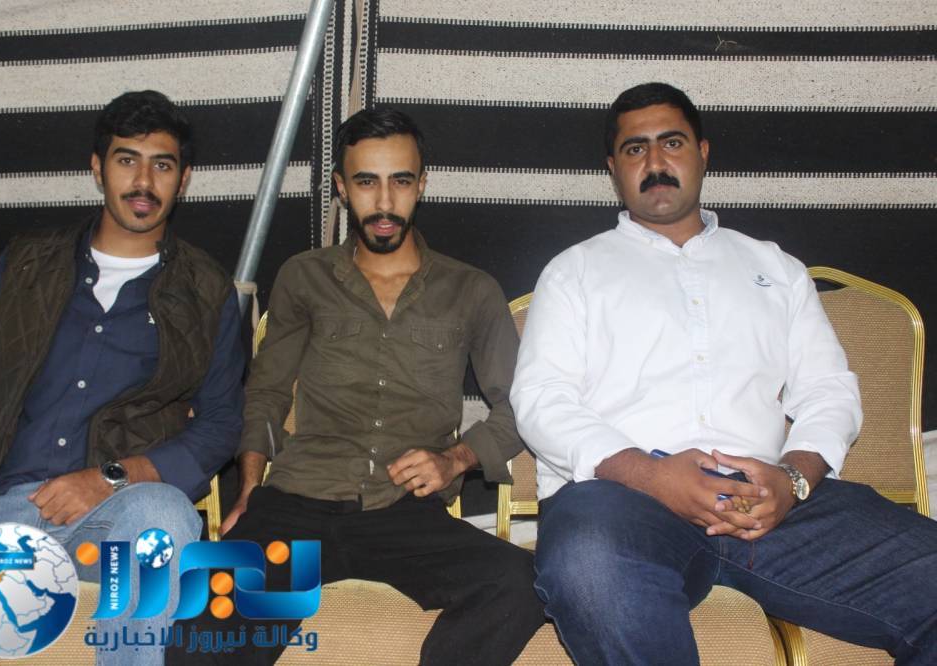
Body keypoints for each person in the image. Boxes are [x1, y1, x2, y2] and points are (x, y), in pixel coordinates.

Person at [510, 82, 937, 664]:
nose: (655, 162)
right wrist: (651, 476)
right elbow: (542, 399)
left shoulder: (774, 267)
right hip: (621, 503)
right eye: (635, 149)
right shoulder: (574, 272)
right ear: (613, 168)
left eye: (672, 143)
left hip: (770, 501)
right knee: (588, 566)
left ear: (702, 153)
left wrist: (793, 479)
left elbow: (829, 389)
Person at [173, 107, 544, 665]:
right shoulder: (304, 276)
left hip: (405, 512)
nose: (385, 202)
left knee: (518, 583)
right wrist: (249, 488)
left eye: (401, 181)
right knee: (202, 636)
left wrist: (455, 460)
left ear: (422, 184)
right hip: (298, 505)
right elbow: (267, 395)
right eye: (367, 182)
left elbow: (517, 409)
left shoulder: (471, 289)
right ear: (342, 188)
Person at [0, 90, 245, 665]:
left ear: (184, 180)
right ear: (98, 168)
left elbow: (221, 425)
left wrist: (110, 478)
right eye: (127, 160)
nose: (143, 181)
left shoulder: (206, 291)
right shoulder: (26, 264)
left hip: (116, 517)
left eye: (163, 165)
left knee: (161, 517)